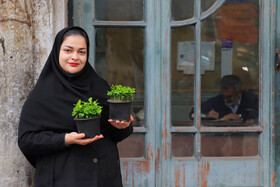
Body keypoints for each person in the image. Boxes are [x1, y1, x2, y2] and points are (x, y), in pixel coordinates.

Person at [18, 26, 133, 187]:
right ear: (57, 51)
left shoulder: (100, 87)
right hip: (64, 177)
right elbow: (26, 140)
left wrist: (123, 126)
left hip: (103, 176)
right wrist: (65, 139)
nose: (75, 57)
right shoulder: (43, 95)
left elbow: (115, 134)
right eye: (68, 50)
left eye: (81, 52)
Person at [191, 75, 258, 121]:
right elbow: (193, 113)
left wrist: (240, 117)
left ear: (239, 93)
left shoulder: (252, 100)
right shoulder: (217, 100)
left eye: (229, 97)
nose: (225, 100)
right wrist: (207, 113)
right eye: (224, 96)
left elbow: (260, 116)